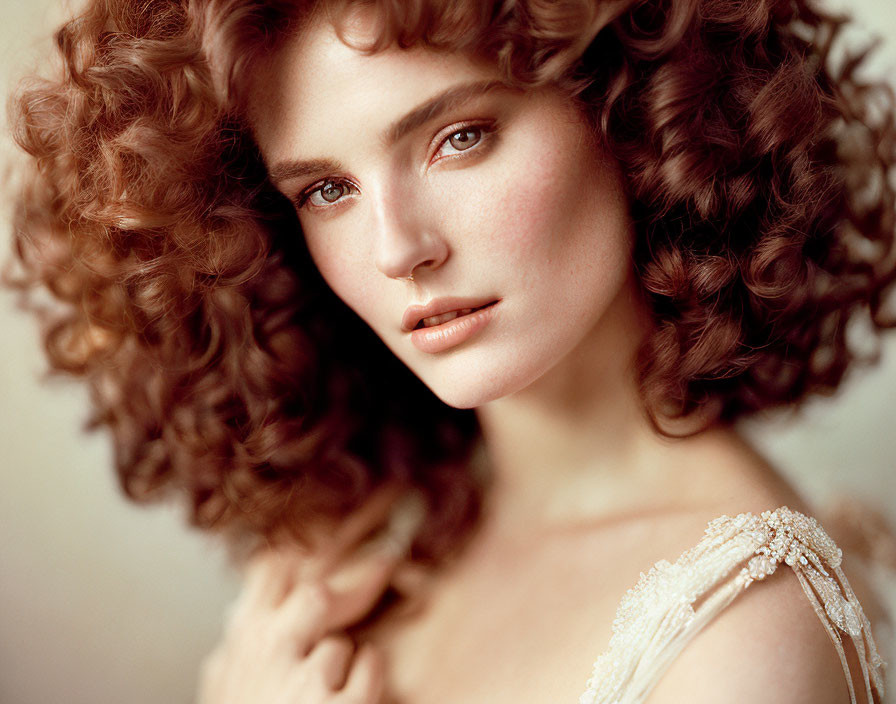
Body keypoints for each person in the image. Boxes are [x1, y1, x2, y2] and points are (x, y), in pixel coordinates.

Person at [5, 0, 895, 702]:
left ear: (629, 108)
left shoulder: (745, 629)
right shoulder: (364, 539)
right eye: (327, 189)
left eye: (457, 138)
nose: (398, 249)